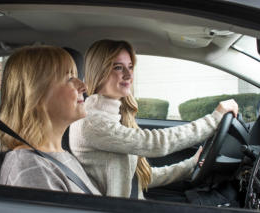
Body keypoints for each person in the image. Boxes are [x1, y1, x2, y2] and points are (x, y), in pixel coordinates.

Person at [69, 39, 238, 199]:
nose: (128, 75)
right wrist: (214, 119)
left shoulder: (111, 116)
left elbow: (140, 179)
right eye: (118, 68)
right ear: (99, 72)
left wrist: (189, 166)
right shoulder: (91, 122)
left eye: (130, 67)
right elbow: (155, 143)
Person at [0, 45, 101, 195]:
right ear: (36, 94)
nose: (84, 86)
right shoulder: (30, 168)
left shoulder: (61, 156)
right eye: (69, 78)